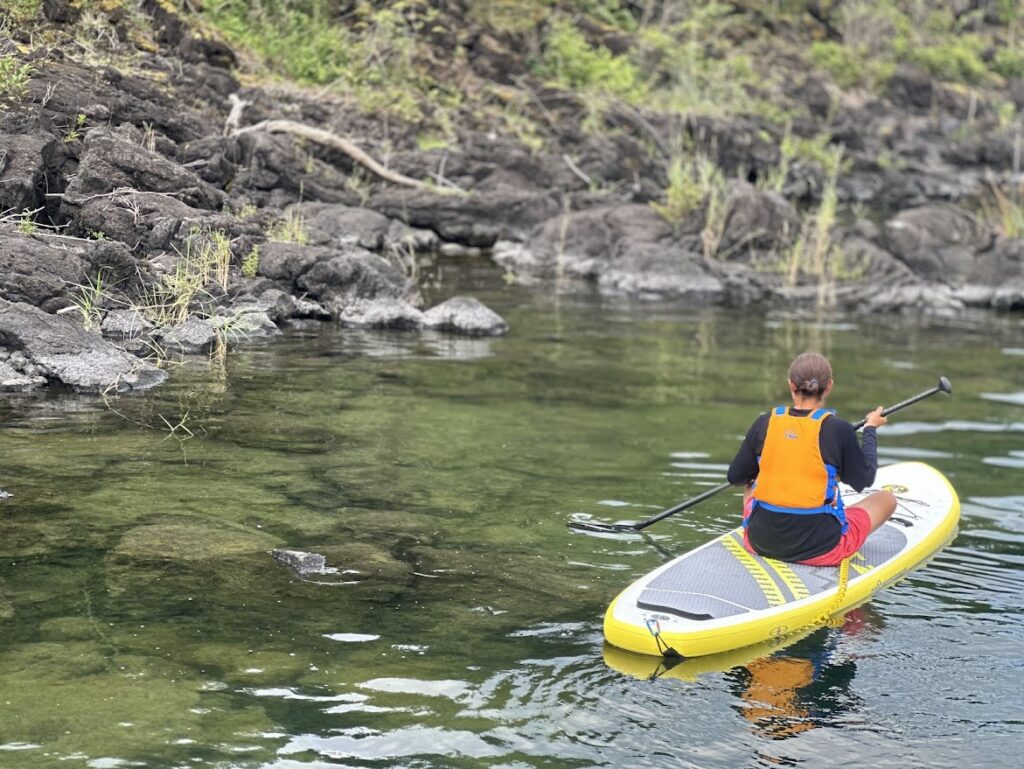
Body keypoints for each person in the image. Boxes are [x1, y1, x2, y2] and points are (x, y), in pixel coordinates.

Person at [727, 352, 896, 565]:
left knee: (751, 483)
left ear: (791, 385)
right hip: (822, 549)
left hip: (760, 542)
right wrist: (870, 428)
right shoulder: (839, 429)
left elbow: (735, 477)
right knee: (887, 499)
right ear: (829, 386)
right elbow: (864, 479)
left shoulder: (765, 422)